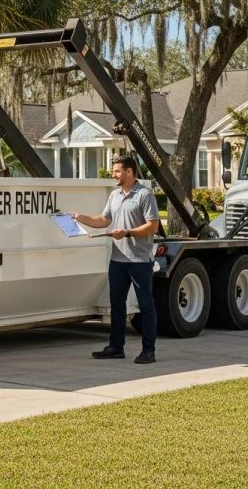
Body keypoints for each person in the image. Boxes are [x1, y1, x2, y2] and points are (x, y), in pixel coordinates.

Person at [72, 155, 160, 364]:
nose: (114, 175)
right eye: (114, 171)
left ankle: (149, 350)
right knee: (117, 304)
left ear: (130, 172)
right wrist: (80, 217)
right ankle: (115, 347)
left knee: (146, 305)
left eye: (118, 171)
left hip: (139, 260)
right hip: (118, 260)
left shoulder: (144, 195)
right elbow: (104, 220)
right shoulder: (115, 195)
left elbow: (152, 226)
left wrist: (127, 232)